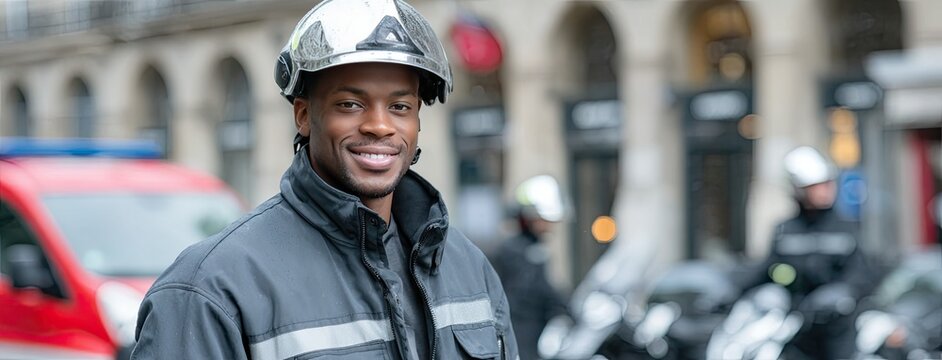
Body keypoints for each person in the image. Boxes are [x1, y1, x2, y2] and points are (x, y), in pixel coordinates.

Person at [131, 1, 518, 359]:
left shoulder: (469, 267)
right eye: (350, 104)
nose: (380, 126)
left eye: (400, 107)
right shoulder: (209, 289)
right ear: (303, 115)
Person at [740, 146, 875, 360]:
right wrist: (730, 289)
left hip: (837, 331)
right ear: (798, 189)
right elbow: (766, 269)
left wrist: (841, 293)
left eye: (826, 184)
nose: (824, 191)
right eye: (815, 186)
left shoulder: (845, 227)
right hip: (796, 328)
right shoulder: (785, 230)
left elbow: (861, 274)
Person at [492, 175, 568, 360]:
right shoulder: (516, 251)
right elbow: (531, 294)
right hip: (522, 338)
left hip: (531, 336)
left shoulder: (533, 249)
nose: (550, 225)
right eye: (545, 219)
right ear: (530, 218)